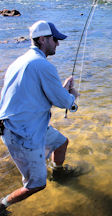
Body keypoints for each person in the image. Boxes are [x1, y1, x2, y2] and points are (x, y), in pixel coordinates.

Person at [0, 20, 80, 215]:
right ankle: (2, 205)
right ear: (43, 39)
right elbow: (64, 102)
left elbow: (41, 96)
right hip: (22, 132)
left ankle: (58, 174)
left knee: (61, 143)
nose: (58, 44)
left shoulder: (21, 61)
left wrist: (62, 92)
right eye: (55, 40)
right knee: (36, 185)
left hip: (24, 124)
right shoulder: (42, 65)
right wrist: (73, 98)